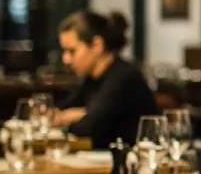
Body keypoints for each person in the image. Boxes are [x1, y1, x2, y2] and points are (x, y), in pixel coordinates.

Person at [53, 11, 160, 148]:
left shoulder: (123, 76)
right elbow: (60, 111)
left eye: (72, 51)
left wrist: (78, 115)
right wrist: (78, 114)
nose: (65, 59)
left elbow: (87, 129)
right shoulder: (92, 78)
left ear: (97, 45)